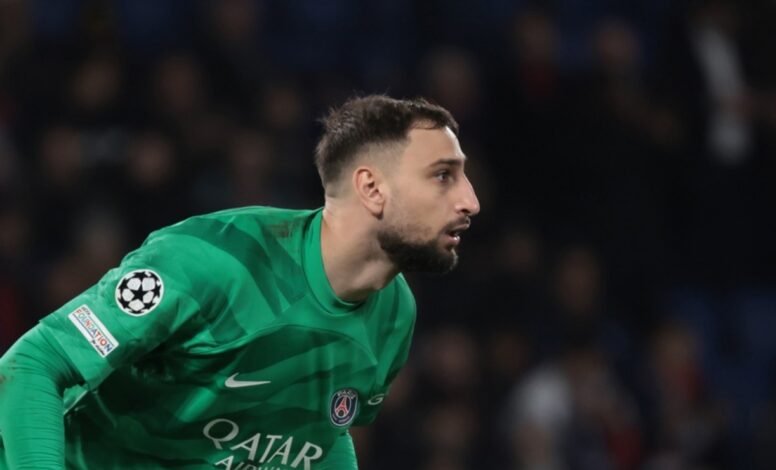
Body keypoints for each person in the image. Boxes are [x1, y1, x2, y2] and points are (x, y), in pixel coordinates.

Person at [0, 95, 480, 469]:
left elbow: (319, 439)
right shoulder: (213, 262)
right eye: (443, 176)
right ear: (371, 188)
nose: (470, 201)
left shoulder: (394, 313)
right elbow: (34, 364)